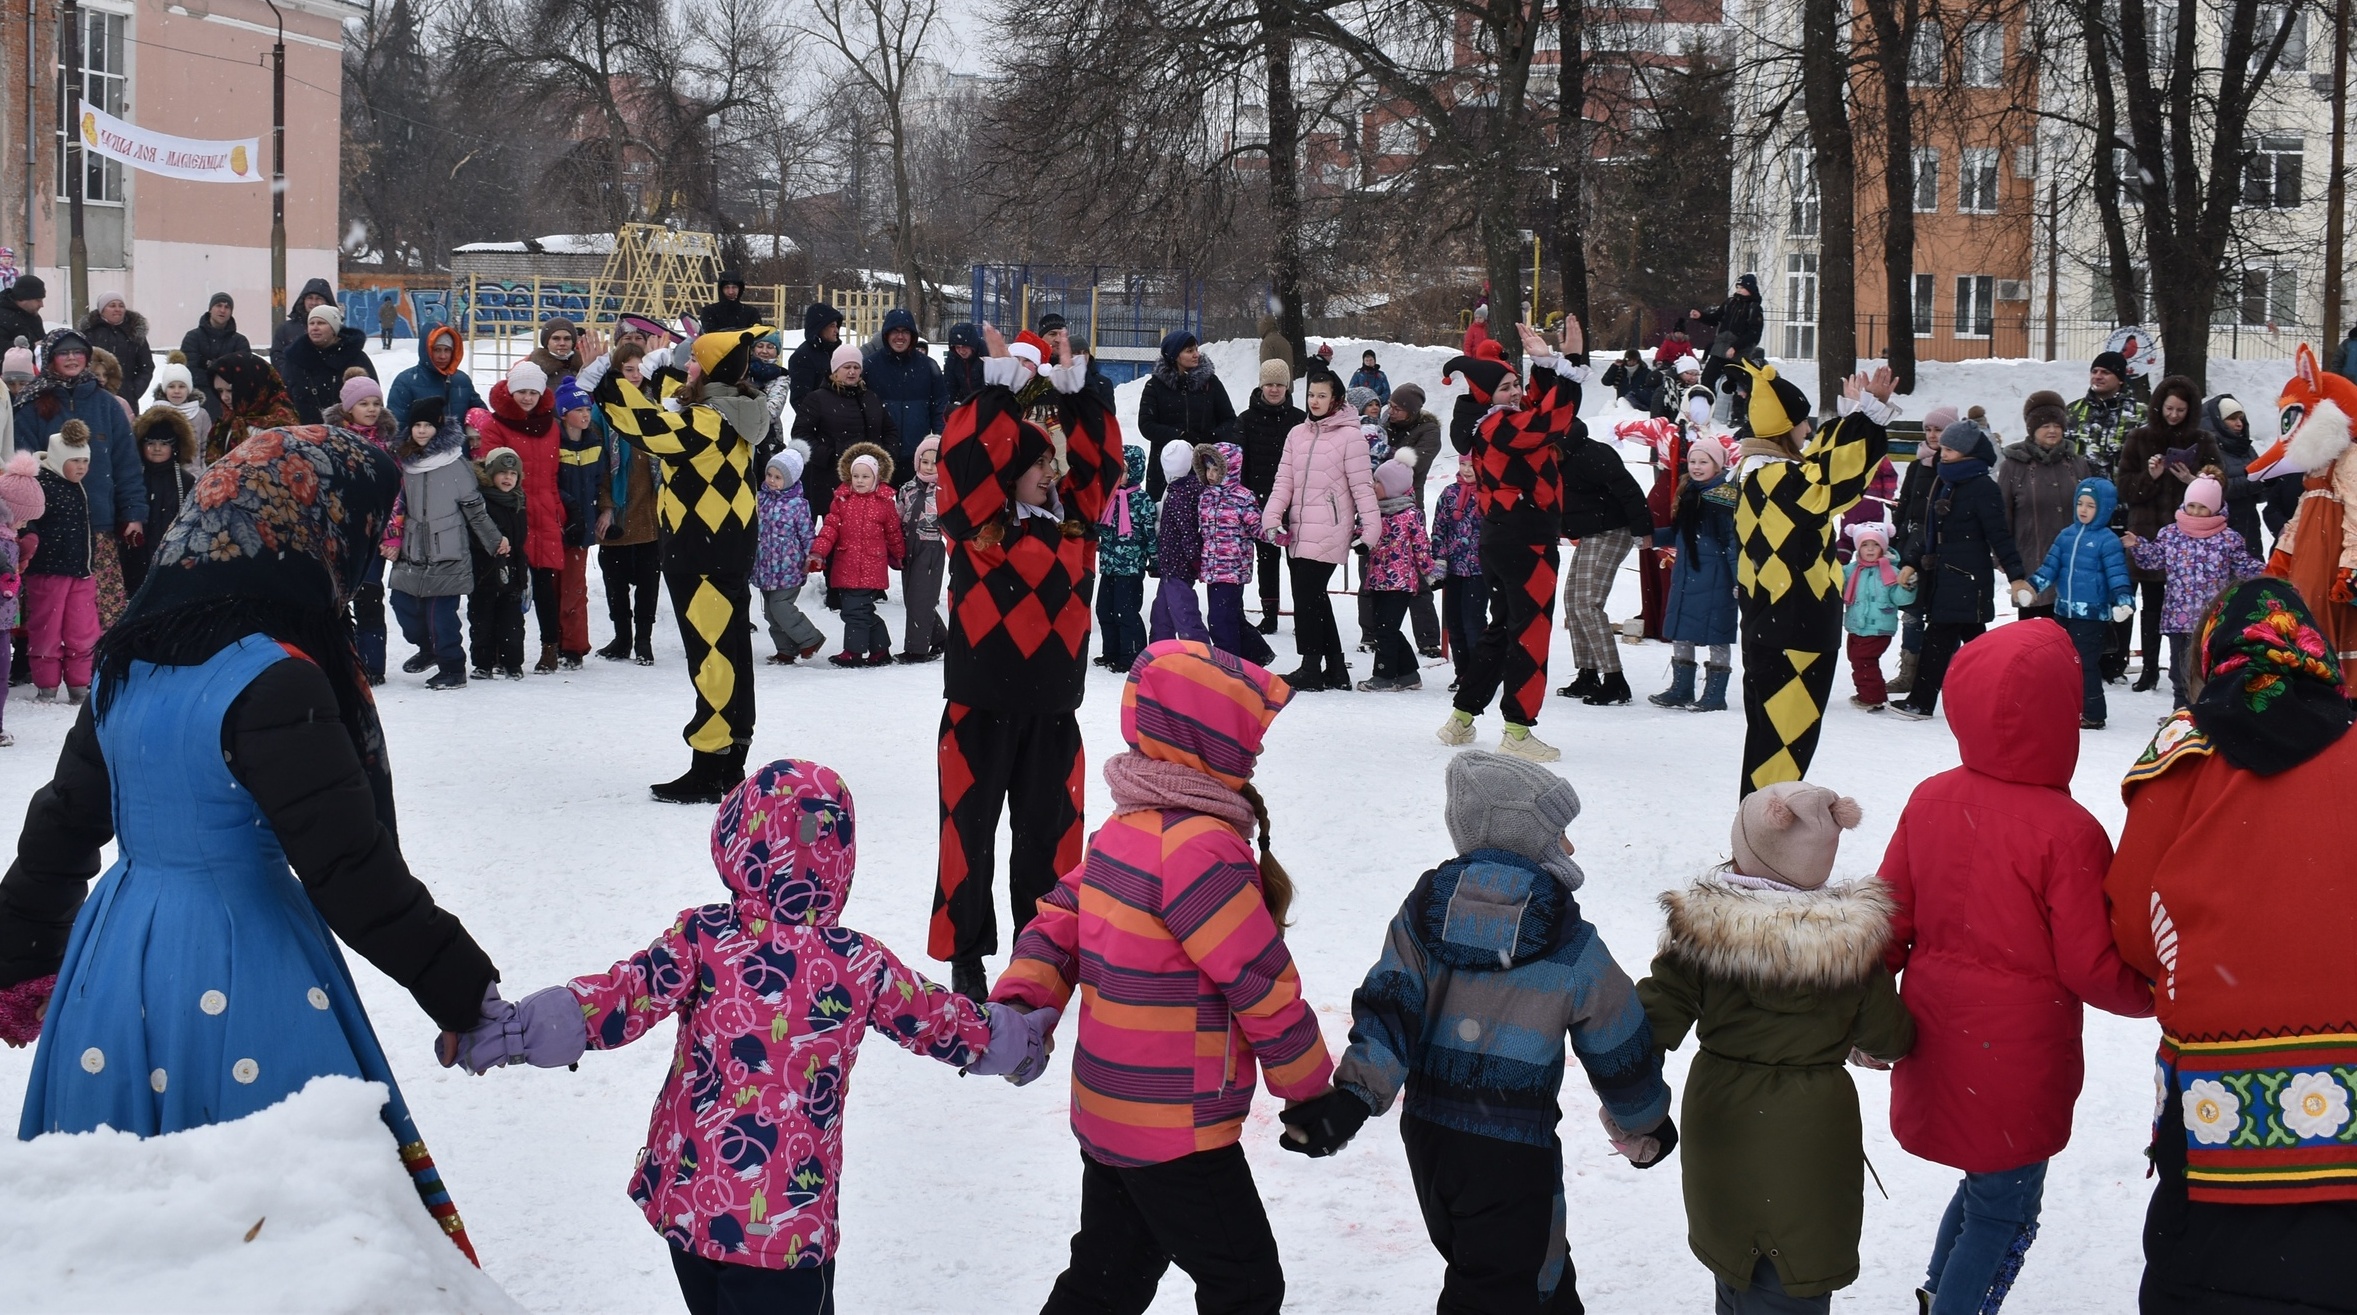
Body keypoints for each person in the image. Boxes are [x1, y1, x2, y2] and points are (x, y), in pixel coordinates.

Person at [0, 422, 495, 1266]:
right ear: (311, 530)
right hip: (244, 960)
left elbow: (63, 821)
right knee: (277, 1236)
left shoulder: (129, 661)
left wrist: (20, 949)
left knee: (115, 1231)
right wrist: (464, 993)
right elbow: (351, 870)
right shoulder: (275, 676)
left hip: (115, 964)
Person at [437, 759, 1048, 1315]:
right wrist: (1019, 1042)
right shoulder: (861, 965)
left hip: (693, 1208)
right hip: (786, 1229)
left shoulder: (703, 940)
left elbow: (615, 1000)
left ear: (738, 841)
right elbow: (945, 1023)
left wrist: (512, 1031)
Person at [990, 639, 1332, 1314]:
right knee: (1245, 1285)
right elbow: (1260, 983)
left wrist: (1026, 997)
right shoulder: (1201, 850)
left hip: (1111, 1109)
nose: (1257, 753)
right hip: (1178, 1124)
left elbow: (1057, 921)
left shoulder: (1128, 830)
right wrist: (1310, 1091)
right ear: (1208, 744)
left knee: (1107, 1278)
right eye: (1248, 740)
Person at [1291, 749, 1674, 1312]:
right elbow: (1617, 1037)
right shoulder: (1568, 939)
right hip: (1513, 1149)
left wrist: (1354, 1097)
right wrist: (1645, 1121)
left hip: (1432, 1142)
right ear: (1523, 836)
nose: (1569, 848)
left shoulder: (1422, 914)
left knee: (1512, 1275)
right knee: (1510, 1287)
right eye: (1558, 834)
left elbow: (1390, 1006)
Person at [1878, 619, 2155, 1315]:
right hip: (2017, 1056)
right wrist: (2156, 994)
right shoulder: (2069, 831)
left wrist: (1865, 1003)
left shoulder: (1929, 798)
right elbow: (2091, 964)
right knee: (2004, 1206)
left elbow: (1888, 920)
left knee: (1985, 1184)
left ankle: (1938, 1293)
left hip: (1936, 1034)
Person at [2105, 578, 2357, 1313]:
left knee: (2212, 1281)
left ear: (2210, 652)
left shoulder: (2186, 745)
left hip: (2220, 1101)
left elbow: (2133, 919)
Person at [1640, 781, 1914, 1314]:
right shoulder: (1853, 945)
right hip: (1812, 1134)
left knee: (1734, 1269)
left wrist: (1630, 1104)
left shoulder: (1700, 935)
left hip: (1722, 1120)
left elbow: (1649, 1021)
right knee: (1792, 1278)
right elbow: (1891, 1038)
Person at [928, 328, 1119, 1002]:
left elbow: (1100, 469)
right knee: (968, 839)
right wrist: (996, 391)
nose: (1049, 473)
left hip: (1051, 715)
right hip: (977, 709)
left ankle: (1044, 952)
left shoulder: (1076, 530)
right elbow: (962, 463)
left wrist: (1078, 395)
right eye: (1036, 464)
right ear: (1007, 472)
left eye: (1051, 465)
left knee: (1052, 844)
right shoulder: (978, 530)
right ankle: (965, 956)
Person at [599, 326, 775, 803]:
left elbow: (649, 429)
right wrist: (655, 381)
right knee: (730, 653)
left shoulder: (709, 421)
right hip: (723, 547)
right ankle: (731, 757)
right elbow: (669, 419)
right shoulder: (733, 410)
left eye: (694, 360)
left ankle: (710, 767)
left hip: (702, 550)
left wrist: (609, 380)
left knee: (713, 657)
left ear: (713, 370)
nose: (685, 366)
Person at [1727, 360, 1895, 790]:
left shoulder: (1760, 474)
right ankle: (1763, 830)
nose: (1809, 431)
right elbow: (1833, 479)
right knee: (1781, 754)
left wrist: (1856, 417)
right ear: (1788, 428)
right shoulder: (1779, 480)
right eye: (1804, 424)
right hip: (1794, 630)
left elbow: (1821, 468)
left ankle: (1757, 826)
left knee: (1770, 745)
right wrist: (1868, 418)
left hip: (1774, 627)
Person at [1436, 319, 1588, 761]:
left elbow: (1545, 406)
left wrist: (1550, 362)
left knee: (1503, 629)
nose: (1516, 393)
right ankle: (1518, 730)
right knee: (1530, 632)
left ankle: (1462, 718)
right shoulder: (1500, 428)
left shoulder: (1492, 424)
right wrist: (1564, 363)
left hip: (1505, 538)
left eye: (1515, 384)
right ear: (1488, 397)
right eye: (1505, 388)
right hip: (1525, 541)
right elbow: (1554, 418)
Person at [1891, 419, 2029, 721]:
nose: (1943, 453)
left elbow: (1999, 535)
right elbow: (1930, 530)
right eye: (1943, 448)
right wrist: (1912, 561)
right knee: (1977, 644)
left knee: (1938, 639)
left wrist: (2017, 575)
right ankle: (2000, 694)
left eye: (1950, 449)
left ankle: (1921, 702)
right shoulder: (1945, 480)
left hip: (1967, 579)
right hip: (1944, 577)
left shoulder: (1983, 487)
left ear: (1968, 452)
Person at [14, 329, 140, 629]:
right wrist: (26, 519)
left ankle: (96, 656)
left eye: (77, 352)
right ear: (50, 359)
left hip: (98, 524)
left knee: (100, 611)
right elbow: (23, 467)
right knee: (50, 609)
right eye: (63, 353)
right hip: (49, 527)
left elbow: (126, 464)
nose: (71, 358)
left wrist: (133, 512)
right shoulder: (32, 405)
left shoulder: (107, 405)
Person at [1264, 371, 1383, 691]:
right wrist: (1272, 516)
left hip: (1330, 527)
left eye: (1321, 396)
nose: (1314, 401)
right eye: (1311, 395)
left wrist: (1370, 529)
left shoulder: (1350, 437)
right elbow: (1283, 481)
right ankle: (1335, 669)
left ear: (1336, 399)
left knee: (1307, 597)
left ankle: (1310, 668)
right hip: (1298, 529)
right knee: (1314, 598)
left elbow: (1362, 486)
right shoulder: (1297, 434)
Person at [2250, 344, 2357, 668]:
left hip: (2332, 561)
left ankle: (2338, 687)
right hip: (2309, 564)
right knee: (2305, 617)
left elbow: (2356, 514)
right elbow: (2297, 522)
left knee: (2330, 626)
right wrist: (2281, 559)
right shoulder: (2315, 471)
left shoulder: (2350, 460)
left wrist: (2350, 568)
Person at [385, 397, 504, 690]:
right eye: (417, 425)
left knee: (440, 615)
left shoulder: (454, 464)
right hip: (413, 548)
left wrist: (495, 540)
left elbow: (475, 510)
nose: (421, 430)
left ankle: (452, 668)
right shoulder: (406, 462)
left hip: (447, 550)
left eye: (427, 425)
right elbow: (398, 504)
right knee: (402, 604)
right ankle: (428, 648)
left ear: (438, 427)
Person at [2121, 475, 2267, 710]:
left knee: (2206, 670)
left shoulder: (2228, 539)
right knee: (2179, 672)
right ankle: (2180, 714)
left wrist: (2272, 571)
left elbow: (2246, 566)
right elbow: (2154, 559)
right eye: (2192, 505)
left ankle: (2205, 713)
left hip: (2211, 619)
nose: (2196, 512)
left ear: (2215, 508)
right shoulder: (2171, 534)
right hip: (2178, 618)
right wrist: (2138, 545)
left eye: (2203, 507)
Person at [2115, 375, 2222, 693]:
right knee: (2148, 603)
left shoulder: (2203, 440)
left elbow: (2220, 485)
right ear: (2158, 406)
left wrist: (2193, 481)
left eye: (2180, 410)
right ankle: (2148, 667)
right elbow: (2125, 488)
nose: (2173, 415)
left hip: (2190, 537)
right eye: (2169, 408)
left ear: (2191, 411)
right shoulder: (2139, 437)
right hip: (2147, 532)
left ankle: (2187, 668)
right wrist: (2150, 476)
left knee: (2186, 608)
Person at [467, 361, 566, 673]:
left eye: (533, 392)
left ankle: (550, 647)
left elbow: (552, 475)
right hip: (509, 513)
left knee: (545, 585)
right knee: (504, 585)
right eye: (521, 391)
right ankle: (499, 650)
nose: (527, 398)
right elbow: (490, 473)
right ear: (511, 392)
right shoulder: (495, 425)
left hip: (545, 513)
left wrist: (559, 511)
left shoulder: (551, 426)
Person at [1555, 416, 1651, 706]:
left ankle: (1614, 679)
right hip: (1590, 533)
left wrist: (1643, 529)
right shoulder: (1556, 458)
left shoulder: (1591, 453)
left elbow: (1628, 488)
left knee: (1588, 603)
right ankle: (1587, 673)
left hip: (1613, 529)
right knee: (1573, 601)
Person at [2025, 477, 2135, 728]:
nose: (2083, 510)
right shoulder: (2066, 535)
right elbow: (2050, 567)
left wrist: (2123, 601)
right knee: (2060, 662)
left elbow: (2117, 574)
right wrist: (2033, 587)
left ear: (2104, 508)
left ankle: (2093, 713)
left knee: (2084, 664)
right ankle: (2065, 707)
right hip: (2064, 611)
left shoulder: (2107, 540)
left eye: (2091, 505)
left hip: (2092, 616)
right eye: (2080, 504)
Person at [1649, 434, 1740, 712]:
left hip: (1716, 577)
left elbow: (1732, 542)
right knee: (1681, 631)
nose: (1697, 467)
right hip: (1687, 574)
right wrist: (1650, 537)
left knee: (1717, 634)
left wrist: (1739, 579)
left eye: (1704, 462)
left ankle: (1715, 694)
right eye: (1693, 462)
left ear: (1718, 465)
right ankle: (1681, 689)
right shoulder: (1690, 492)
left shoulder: (1724, 497)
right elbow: (1681, 533)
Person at [809, 444, 905, 666]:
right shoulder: (842, 500)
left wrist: (899, 554)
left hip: (872, 564)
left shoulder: (884, 504)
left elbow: (893, 533)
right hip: (846, 564)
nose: (860, 481)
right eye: (856, 476)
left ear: (876, 477)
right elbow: (829, 529)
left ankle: (853, 652)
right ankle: (880, 650)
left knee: (855, 611)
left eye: (865, 476)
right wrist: (818, 551)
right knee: (861, 610)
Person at [2000, 390, 2091, 620]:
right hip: (2031, 560)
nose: (2052, 430)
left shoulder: (2076, 464)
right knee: (2035, 632)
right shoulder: (2014, 465)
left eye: (2057, 425)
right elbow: (2003, 515)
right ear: (2032, 429)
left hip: (2074, 563)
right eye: (2045, 425)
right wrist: (2004, 558)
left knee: (2071, 631)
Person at [21, 423, 96, 701]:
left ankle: (79, 683)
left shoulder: (79, 488)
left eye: (85, 461)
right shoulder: (41, 485)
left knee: (82, 628)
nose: (81, 467)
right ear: (58, 459)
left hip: (81, 571)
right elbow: (26, 520)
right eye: (75, 461)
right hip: (48, 572)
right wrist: (31, 539)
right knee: (47, 628)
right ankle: (47, 684)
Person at [1356, 455, 1441, 691]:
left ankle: (1383, 675)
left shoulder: (1410, 515)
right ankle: (1408, 673)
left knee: (1386, 628)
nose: (1373, 486)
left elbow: (1421, 547)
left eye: (1378, 482)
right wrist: (1358, 539)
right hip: (1376, 578)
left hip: (1400, 582)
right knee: (1383, 626)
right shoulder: (1374, 513)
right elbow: (1362, 533)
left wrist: (1431, 573)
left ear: (1393, 487)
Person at [1889, 405, 1956, 696]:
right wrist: (1895, 537)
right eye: (1928, 429)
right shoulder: (1918, 464)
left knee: (1942, 615)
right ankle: (1909, 672)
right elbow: (1904, 503)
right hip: (1911, 544)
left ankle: (1946, 671)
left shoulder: (1954, 466)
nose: (1932, 435)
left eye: (1938, 429)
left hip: (1941, 547)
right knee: (1912, 611)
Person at [1193, 440, 1275, 669]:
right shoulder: (1205, 496)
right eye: (1207, 469)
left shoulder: (1242, 497)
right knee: (1231, 617)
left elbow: (1256, 527)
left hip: (1233, 568)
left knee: (1220, 621)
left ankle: (1227, 666)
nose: (1211, 475)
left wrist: (1274, 532)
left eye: (1216, 469)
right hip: (1212, 568)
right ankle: (1256, 655)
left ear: (1230, 469)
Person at [1235, 358, 1303, 632]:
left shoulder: (1300, 419)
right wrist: (1246, 500)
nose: (1274, 389)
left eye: (1279, 384)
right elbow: (1240, 464)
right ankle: (1269, 614)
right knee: (1267, 561)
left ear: (1287, 387)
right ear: (1261, 385)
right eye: (1269, 384)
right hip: (1261, 502)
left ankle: (1304, 615)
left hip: (1296, 502)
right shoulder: (1246, 419)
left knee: (1299, 562)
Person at [790, 342, 891, 521]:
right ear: (835, 370)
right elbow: (800, 435)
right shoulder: (817, 398)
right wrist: (829, 456)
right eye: (846, 367)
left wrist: (885, 456)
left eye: (856, 367)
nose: (852, 372)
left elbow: (890, 430)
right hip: (829, 479)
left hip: (868, 480)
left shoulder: (870, 397)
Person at [1137, 329, 1237, 499]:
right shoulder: (1155, 386)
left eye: (1196, 349)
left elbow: (1229, 420)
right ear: (1174, 355)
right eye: (1189, 351)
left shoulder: (1211, 383)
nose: (1196, 354)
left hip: (1206, 467)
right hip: (1166, 468)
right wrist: (1179, 436)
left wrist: (1212, 437)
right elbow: (1147, 425)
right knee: (1166, 512)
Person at [1385, 384, 1445, 655]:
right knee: (1372, 571)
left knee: (1418, 573)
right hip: (1378, 505)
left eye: (1397, 408)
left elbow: (1411, 467)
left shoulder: (1428, 431)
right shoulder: (1384, 425)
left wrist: (1384, 456)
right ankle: (1372, 632)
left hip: (1409, 506)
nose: (1391, 412)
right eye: (1390, 405)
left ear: (1411, 411)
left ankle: (1428, 637)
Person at [550, 379, 603, 668]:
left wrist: (603, 512)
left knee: (574, 590)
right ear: (563, 413)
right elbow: (549, 483)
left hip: (581, 530)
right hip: (555, 526)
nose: (585, 414)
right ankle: (553, 642)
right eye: (578, 409)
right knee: (553, 589)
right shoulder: (553, 444)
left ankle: (574, 647)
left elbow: (601, 481)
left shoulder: (594, 443)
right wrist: (568, 507)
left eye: (587, 409)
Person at [754, 447, 822, 664]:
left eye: (778, 477)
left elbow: (807, 534)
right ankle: (785, 650)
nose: (772, 481)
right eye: (769, 475)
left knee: (781, 606)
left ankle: (810, 638)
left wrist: (813, 556)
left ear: (791, 480)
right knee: (770, 613)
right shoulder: (760, 499)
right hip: (765, 567)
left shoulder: (798, 505)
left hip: (789, 567)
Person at [467, 446, 529, 680]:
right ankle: (483, 662)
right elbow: (472, 533)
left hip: (513, 572)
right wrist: (492, 543)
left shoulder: (518, 500)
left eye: (513, 474)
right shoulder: (480, 501)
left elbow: (520, 539)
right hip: (485, 571)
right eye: (502, 473)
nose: (507, 478)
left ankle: (512, 662)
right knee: (481, 621)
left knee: (512, 623)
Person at [1093, 445, 1157, 672]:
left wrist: (1154, 558)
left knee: (1125, 612)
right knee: (1104, 610)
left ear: (1135, 471)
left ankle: (1132, 655)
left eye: (1122, 470)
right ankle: (1111, 652)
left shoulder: (1141, 500)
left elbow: (1149, 532)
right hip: (1109, 565)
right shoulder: (1109, 498)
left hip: (1130, 567)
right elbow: (1101, 526)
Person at [864, 308, 947, 481]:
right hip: (879, 454)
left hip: (918, 455)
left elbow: (939, 408)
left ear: (913, 336)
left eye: (905, 332)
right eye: (895, 331)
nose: (900, 337)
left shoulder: (928, 366)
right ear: (886, 334)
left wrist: (939, 443)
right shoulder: (870, 366)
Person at [1839, 522, 1915, 711]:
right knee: (1857, 659)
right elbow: (1839, 588)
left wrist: (1907, 587)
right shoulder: (1850, 570)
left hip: (1879, 627)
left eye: (1875, 544)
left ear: (1884, 547)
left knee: (1864, 660)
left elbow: (1899, 598)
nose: (1870, 549)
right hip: (1856, 626)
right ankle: (1870, 693)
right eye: (1865, 545)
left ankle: (1871, 697)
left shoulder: (1891, 571)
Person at [121, 405, 196, 596]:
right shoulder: (132, 478)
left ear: (175, 446)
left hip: (172, 556)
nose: (156, 449)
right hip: (135, 557)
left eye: (164, 444)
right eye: (151, 443)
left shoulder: (186, 481)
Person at [385, 324, 484, 450]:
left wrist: (472, 427)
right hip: (422, 456)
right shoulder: (406, 381)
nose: (443, 356)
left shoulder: (461, 380)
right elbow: (396, 428)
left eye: (447, 350)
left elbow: (482, 415)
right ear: (426, 350)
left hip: (460, 454)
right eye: (437, 350)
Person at [0, 450, 40, 744]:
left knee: (2, 673)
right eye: (25, 518)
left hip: (3, 620)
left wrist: (19, 564)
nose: (26, 525)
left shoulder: (10, 539)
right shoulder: (3, 541)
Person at [898, 433, 948, 662]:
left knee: (921, 598)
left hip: (931, 547)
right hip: (908, 545)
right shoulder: (907, 488)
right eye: (924, 461)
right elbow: (898, 515)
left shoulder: (945, 490)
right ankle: (940, 638)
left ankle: (916, 650)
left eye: (934, 462)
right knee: (912, 598)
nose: (928, 467)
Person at [280, 305, 377, 425]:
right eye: (311, 323)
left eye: (321, 323)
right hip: (304, 430)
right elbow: (284, 398)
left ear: (334, 329)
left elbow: (373, 397)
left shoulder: (356, 358)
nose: (315, 327)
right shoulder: (295, 358)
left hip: (349, 430)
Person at [1151, 440, 1208, 644]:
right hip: (1171, 564)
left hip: (1177, 564)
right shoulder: (1183, 489)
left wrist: (1195, 559)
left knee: (1184, 613)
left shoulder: (1179, 494)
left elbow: (1188, 531)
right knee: (1162, 614)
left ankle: (1199, 653)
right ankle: (1159, 652)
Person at [2197, 393, 2266, 552]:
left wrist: (2269, 483)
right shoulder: (2207, 449)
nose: (2239, 423)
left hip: (2250, 526)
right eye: (2232, 418)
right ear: (2218, 422)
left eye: (2241, 418)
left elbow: (2261, 494)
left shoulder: (2246, 448)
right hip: (2221, 528)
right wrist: (2257, 482)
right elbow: (2218, 488)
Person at [2065, 349, 2146, 481]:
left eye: (2105, 372)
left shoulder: (2140, 414)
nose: (2097, 376)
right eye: (2094, 371)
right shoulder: (2073, 411)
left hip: (2122, 491)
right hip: (2079, 491)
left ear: (2120, 380)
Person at [206, 353, 301, 464]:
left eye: (231, 391)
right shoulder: (225, 424)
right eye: (219, 391)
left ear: (252, 387)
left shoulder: (282, 425)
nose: (224, 397)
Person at [179, 292, 249, 422]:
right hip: (198, 405)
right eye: (219, 305)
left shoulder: (240, 341)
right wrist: (222, 372)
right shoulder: (192, 338)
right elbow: (189, 372)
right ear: (210, 309)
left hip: (231, 406)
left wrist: (207, 364)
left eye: (227, 307)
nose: (222, 310)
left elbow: (242, 374)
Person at [1691, 274, 1764, 393]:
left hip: (1739, 355)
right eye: (1737, 287)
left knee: (1738, 386)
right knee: (1707, 380)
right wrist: (1701, 316)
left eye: (1742, 287)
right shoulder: (1729, 303)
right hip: (1719, 350)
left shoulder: (1754, 308)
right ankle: (1708, 402)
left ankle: (1739, 404)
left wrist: (1735, 347)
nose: (1739, 290)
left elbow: (1754, 334)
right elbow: (1715, 319)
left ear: (1750, 289)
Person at [78, 293, 150, 405]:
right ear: (102, 310)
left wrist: (134, 391)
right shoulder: (89, 333)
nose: (117, 309)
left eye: (121, 306)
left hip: (126, 398)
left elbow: (146, 367)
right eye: (112, 305)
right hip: (93, 396)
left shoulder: (134, 333)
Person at [148, 357, 213, 465]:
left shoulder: (200, 414)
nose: (176, 391)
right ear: (164, 389)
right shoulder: (155, 413)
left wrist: (203, 469)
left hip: (193, 472)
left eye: (182, 386)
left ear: (189, 389)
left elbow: (206, 446)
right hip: (163, 471)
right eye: (171, 386)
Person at [786, 301, 844, 412]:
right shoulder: (802, 357)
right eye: (832, 326)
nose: (836, 330)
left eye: (837, 325)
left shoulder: (837, 352)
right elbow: (801, 400)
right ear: (820, 327)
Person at [269, 276, 335, 369]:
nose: (314, 302)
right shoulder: (286, 329)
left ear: (327, 302)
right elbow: (277, 356)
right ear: (303, 301)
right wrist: (291, 374)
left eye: (318, 298)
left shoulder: (336, 328)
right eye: (310, 298)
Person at [524, 317, 586, 386]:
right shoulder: (531, 369)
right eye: (556, 338)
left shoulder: (586, 367)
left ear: (573, 342)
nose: (562, 343)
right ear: (546, 342)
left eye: (567, 338)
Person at [697, 269, 761, 334]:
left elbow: (757, 335)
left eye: (734, 287)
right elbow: (708, 334)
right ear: (721, 289)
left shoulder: (751, 313)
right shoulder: (709, 312)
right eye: (727, 287)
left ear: (740, 289)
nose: (731, 292)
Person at [944, 320, 986, 406]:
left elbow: (989, 385)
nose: (961, 351)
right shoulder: (953, 358)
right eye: (957, 347)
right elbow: (950, 384)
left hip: (985, 402)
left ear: (972, 344)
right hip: (964, 401)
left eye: (964, 346)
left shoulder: (985, 354)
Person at [0, 273, 46, 350]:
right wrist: (33, 346)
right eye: (38, 300)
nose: (41, 305)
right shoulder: (3, 317)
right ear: (23, 299)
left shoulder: (33, 316)